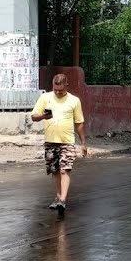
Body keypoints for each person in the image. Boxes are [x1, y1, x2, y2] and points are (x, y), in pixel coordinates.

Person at [30, 73, 88, 213]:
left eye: (60, 90)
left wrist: (83, 143)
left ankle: (62, 199)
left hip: (67, 142)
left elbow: (79, 123)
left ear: (66, 86)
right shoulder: (45, 98)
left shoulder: (74, 101)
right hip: (50, 141)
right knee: (54, 170)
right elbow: (34, 116)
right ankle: (57, 197)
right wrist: (44, 116)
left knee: (65, 169)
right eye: (55, 89)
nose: (57, 92)